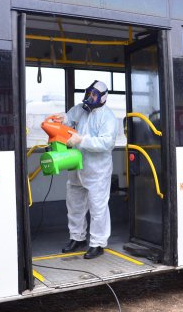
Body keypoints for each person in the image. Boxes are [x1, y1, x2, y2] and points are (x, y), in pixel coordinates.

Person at [51, 80, 117, 259]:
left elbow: (106, 142)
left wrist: (81, 140)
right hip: (77, 167)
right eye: (88, 93)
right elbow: (69, 118)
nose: (90, 97)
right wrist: (61, 118)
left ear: (102, 97)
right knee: (74, 205)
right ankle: (77, 238)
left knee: (98, 207)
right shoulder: (80, 109)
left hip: (97, 170)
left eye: (94, 95)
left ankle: (97, 243)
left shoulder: (108, 117)